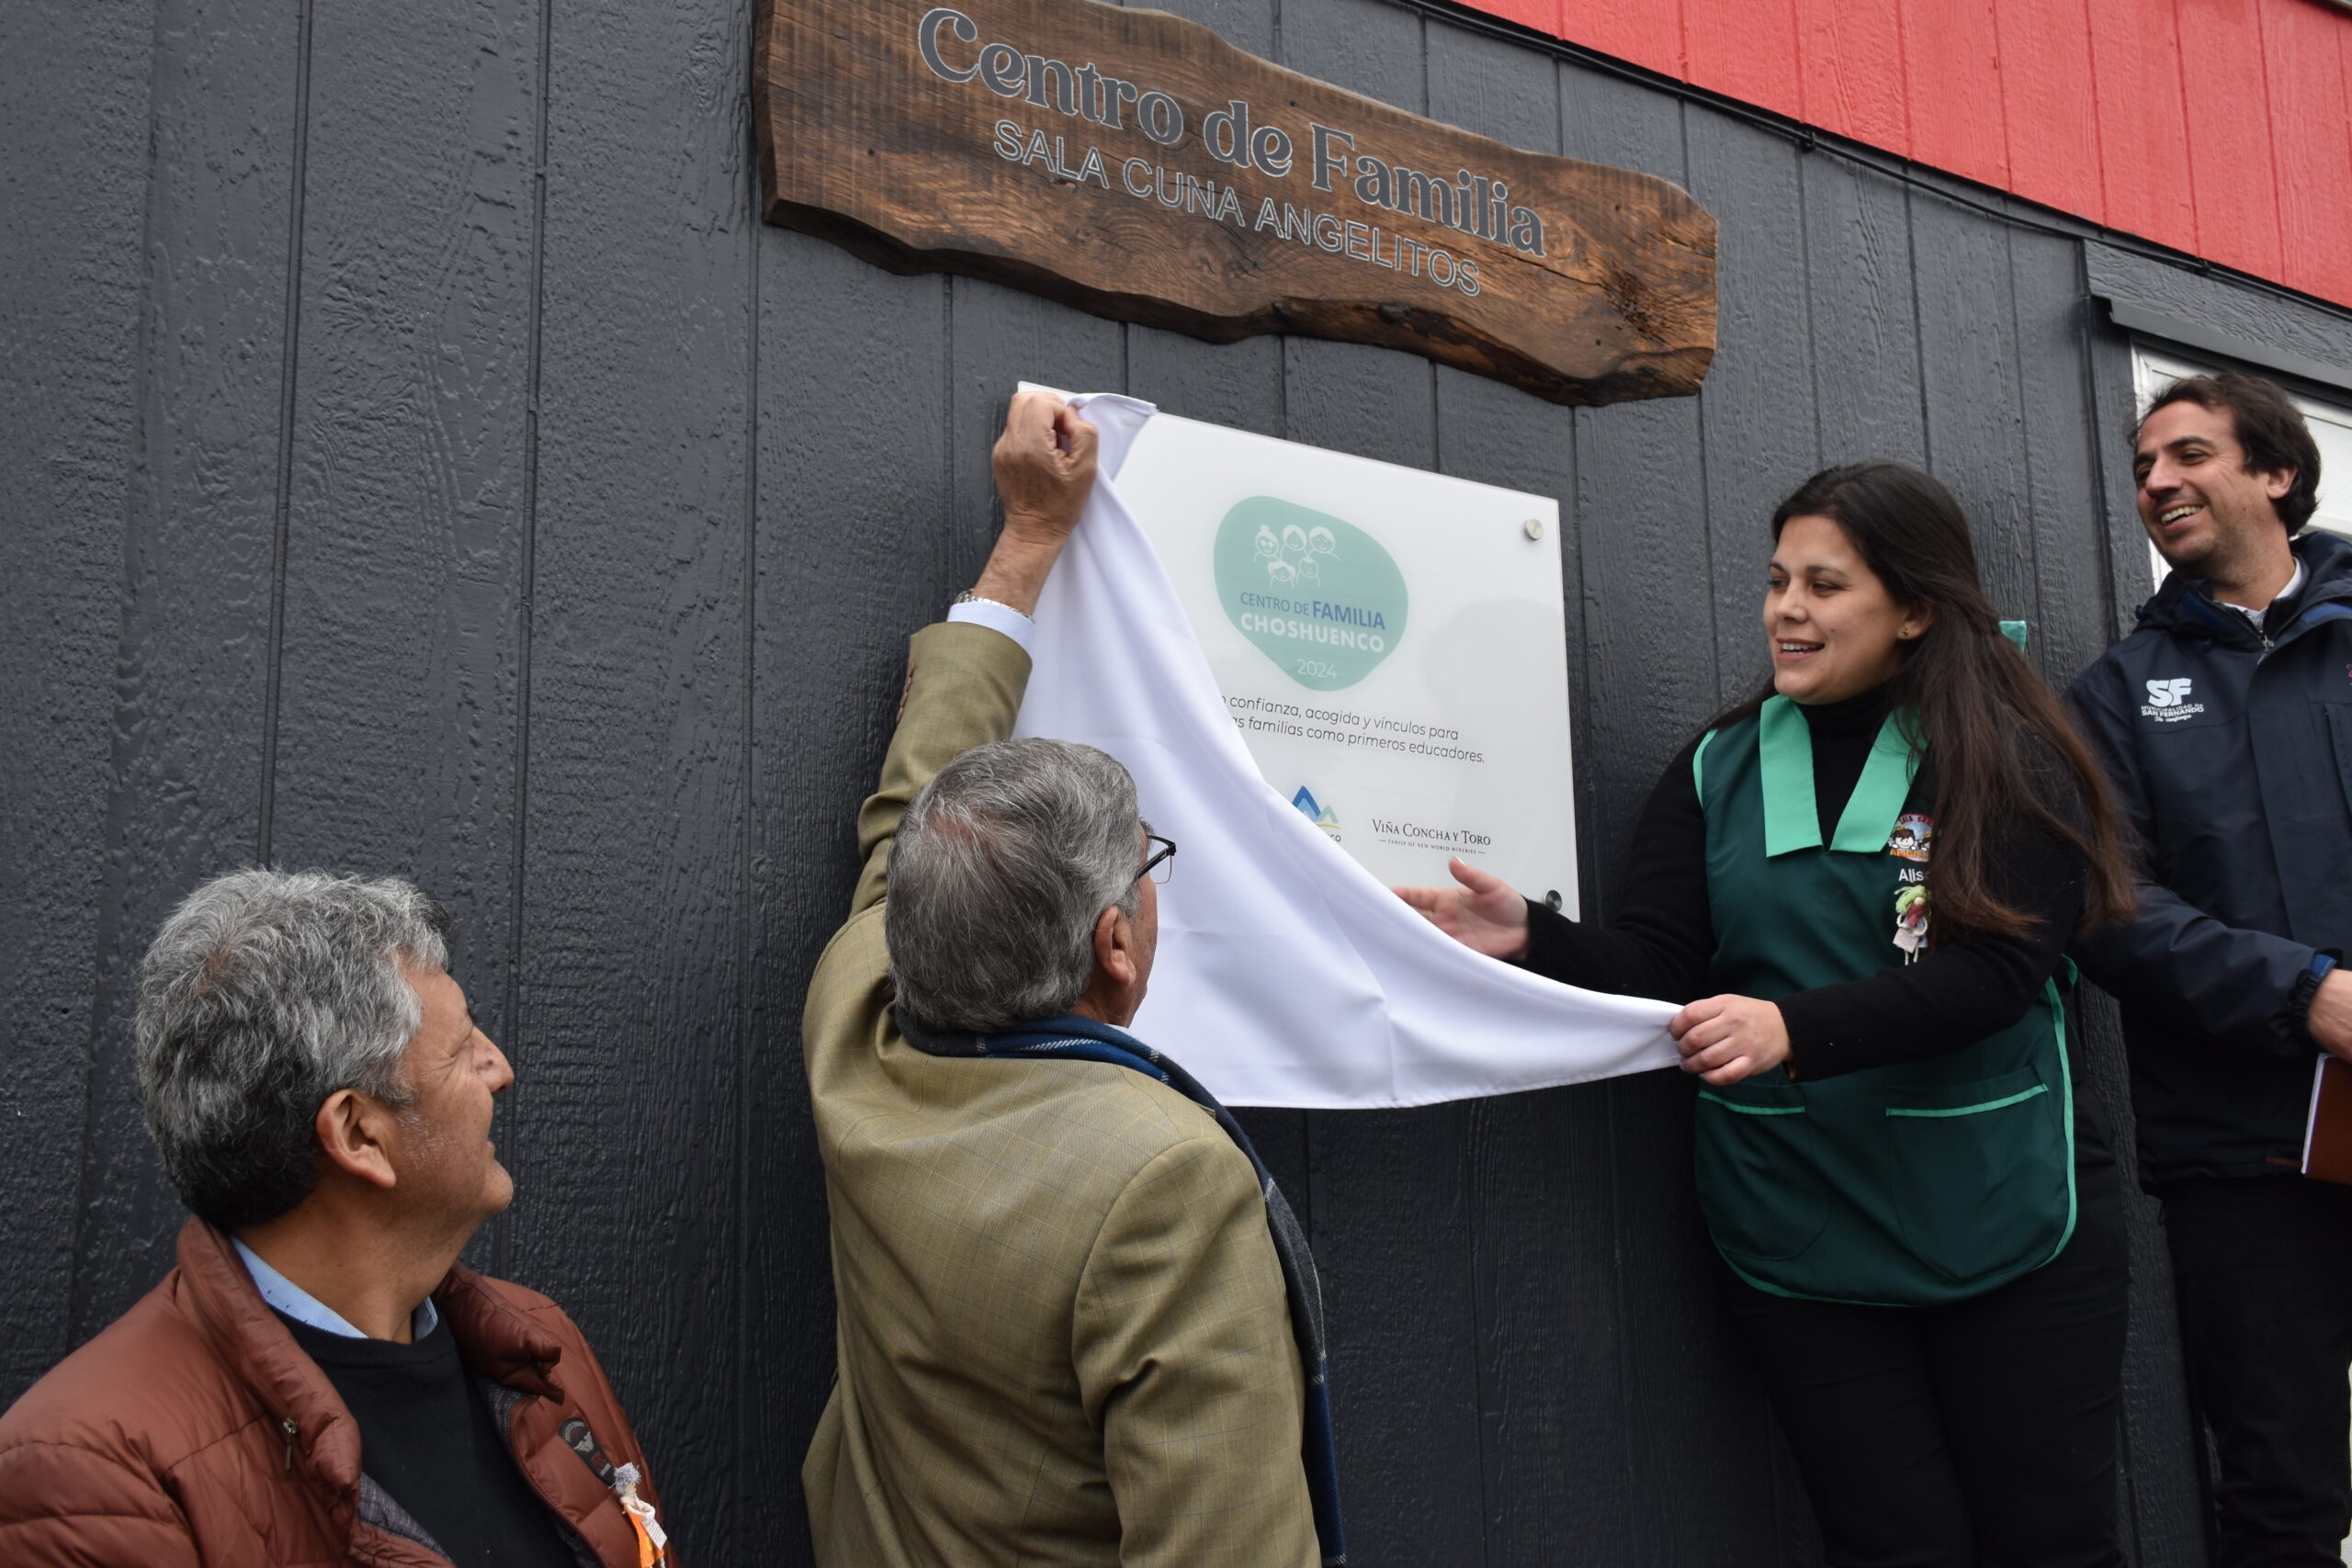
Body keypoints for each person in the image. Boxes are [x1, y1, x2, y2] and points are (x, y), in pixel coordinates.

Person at [1399, 463, 2138, 1568]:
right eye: (1777, 579)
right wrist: (1534, 937)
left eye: (1825, 585)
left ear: (1915, 610)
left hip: (2003, 1208)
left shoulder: (2008, 758)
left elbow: (1995, 976)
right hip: (1797, 1223)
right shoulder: (1714, 767)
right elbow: (1662, 964)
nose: (1786, 609)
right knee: (1893, 1545)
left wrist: (1792, 1030)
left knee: (2052, 1542)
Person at [799, 389, 1339, 1568]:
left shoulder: (859, 1017)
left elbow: (914, 809)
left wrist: (1028, 540)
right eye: (1148, 863)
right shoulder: (1164, 1184)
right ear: (1114, 944)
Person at [0, 871, 673, 1568]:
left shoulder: (542, 1349)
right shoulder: (91, 1475)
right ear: (358, 1134)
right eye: (462, 1048)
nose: (499, 1068)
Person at [2068, 371, 2352, 1568]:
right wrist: (2308, 992)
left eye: (2187, 453)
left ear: (2277, 472)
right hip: (2244, 1155)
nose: (2157, 482)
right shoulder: (2118, 693)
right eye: (2142, 467)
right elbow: (2107, 905)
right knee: (2281, 1485)